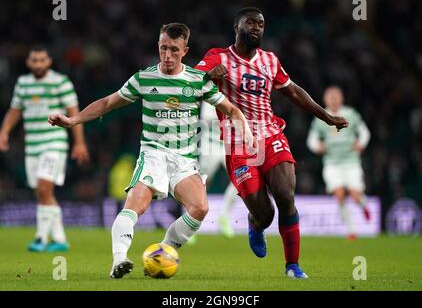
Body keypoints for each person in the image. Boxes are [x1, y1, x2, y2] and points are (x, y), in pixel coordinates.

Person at [48, 23, 255, 279]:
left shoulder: (197, 80)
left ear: (185, 50)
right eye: (163, 48)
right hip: (154, 155)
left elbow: (232, 109)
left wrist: (244, 129)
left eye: (174, 50)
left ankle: (164, 251)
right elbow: (108, 102)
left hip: (184, 160)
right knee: (136, 205)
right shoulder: (143, 78)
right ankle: (119, 260)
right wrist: (73, 120)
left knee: (200, 208)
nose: (167, 55)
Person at [195, 7, 349, 279]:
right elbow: (192, 81)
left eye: (261, 24)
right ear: (237, 26)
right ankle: (256, 225)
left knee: (286, 196)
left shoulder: (270, 60)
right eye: (250, 22)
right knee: (264, 213)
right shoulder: (217, 57)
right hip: (238, 145)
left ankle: (293, 266)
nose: (256, 27)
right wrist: (208, 76)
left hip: (270, 136)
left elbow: (292, 91)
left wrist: (326, 116)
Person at [0, 45, 90, 252]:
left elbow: (74, 113)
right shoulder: (23, 84)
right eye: (35, 60)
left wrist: (79, 142)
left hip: (54, 142)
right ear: (28, 62)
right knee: (43, 193)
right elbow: (15, 110)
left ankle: (40, 238)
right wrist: (4, 131)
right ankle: (59, 239)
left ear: (49, 61)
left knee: (43, 188)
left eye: (42, 60)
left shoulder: (61, 82)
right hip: (32, 145)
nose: (38, 64)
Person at [307, 86, 371, 240]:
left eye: (336, 96)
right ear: (325, 99)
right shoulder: (321, 117)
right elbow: (311, 139)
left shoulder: (350, 114)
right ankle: (351, 231)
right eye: (330, 97)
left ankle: (364, 206)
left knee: (356, 195)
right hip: (332, 163)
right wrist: (317, 146)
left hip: (351, 161)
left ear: (341, 98)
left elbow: (364, 132)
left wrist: (361, 143)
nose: (333, 99)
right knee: (340, 195)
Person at [199, 101, 238, 238]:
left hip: (229, 145)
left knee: (240, 179)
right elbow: (207, 120)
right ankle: (190, 220)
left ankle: (224, 216)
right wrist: (232, 113)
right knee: (202, 183)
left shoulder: (233, 93)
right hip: (210, 145)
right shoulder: (211, 93)